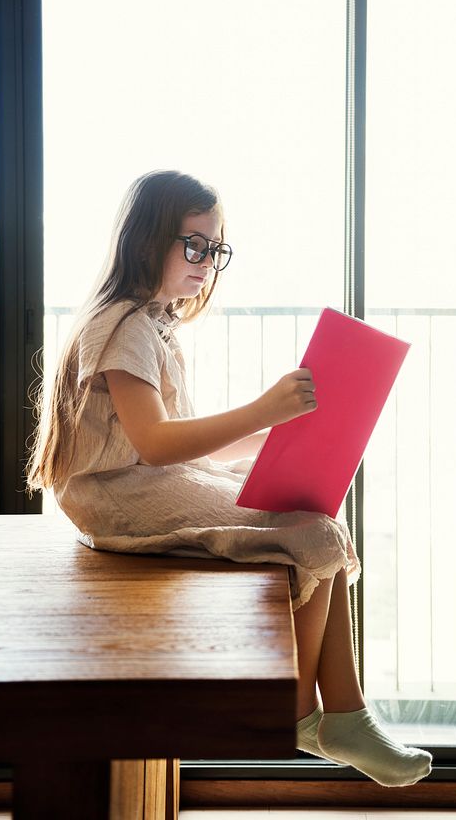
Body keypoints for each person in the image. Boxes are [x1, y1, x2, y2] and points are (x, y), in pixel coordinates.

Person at [27, 169, 432, 787]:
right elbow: (157, 445)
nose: (206, 262)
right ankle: (303, 714)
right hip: (113, 497)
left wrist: (285, 440)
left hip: (138, 481)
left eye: (216, 250)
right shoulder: (122, 328)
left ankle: (344, 712)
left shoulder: (150, 323)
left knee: (311, 501)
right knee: (312, 532)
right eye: (194, 245)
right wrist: (264, 410)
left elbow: (183, 440)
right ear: (145, 242)